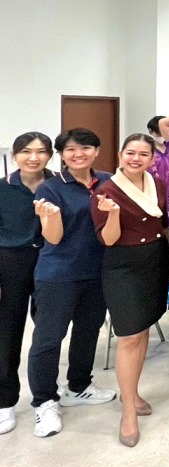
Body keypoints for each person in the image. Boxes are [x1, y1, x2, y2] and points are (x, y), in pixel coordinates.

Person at [28, 128, 116, 438]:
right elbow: (52, 238)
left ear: (97, 151)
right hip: (58, 275)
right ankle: (44, 402)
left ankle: (78, 386)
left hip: (97, 272)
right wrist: (50, 217)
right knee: (49, 339)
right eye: (70, 150)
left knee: (88, 332)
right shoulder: (50, 189)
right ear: (62, 155)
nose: (78, 154)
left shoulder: (108, 181)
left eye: (85, 148)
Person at [90, 134, 169, 447]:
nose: (136, 159)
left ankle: (134, 393)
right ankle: (127, 412)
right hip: (122, 266)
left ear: (152, 158)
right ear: (120, 155)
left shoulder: (157, 184)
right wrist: (112, 213)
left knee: (143, 328)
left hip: (155, 262)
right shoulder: (105, 191)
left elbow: (163, 224)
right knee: (128, 337)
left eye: (143, 154)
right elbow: (109, 239)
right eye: (130, 153)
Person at [0, 132, 53, 434]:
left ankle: (46, 397)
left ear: (50, 155)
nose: (34, 157)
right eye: (26, 151)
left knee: (47, 332)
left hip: (50, 261)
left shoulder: (57, 184)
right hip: (10, 264)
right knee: (7, 334)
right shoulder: (2, 187)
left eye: (41, 151)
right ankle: (4, 401)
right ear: (15, 155)